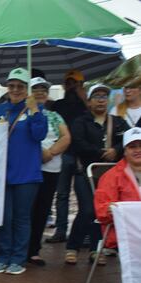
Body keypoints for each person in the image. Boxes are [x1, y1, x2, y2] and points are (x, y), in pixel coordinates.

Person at [0, 68, 47, 275]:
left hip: (27, 174)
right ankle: (3, 257)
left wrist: (35, 111)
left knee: (21, 218)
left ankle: (18, 259)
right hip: (1, 174)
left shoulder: (35, 109)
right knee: (4, 217)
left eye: (20, 86)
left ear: (26, 88)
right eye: (11, 85)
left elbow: (40, 135)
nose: (15, 89)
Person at [65, 84, 129, 265]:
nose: (101, 100)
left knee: (102, 212)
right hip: (84, 173)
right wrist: (102, 152)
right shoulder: (80, 122)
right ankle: (72, 246)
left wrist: (116, 150)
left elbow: (128, 140)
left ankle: (96, 248)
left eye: (104, 96)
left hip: (110, 178)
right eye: (97, 96)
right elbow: (78, 144)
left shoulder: (117, 122)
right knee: (87, 210)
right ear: (89, 101)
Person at [27, 77, 71, 266]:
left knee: (42, 210)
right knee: (25, 210)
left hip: (51, 168)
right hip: (28, 169)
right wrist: (39, 152)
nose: (40, 92)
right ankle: (21, 249)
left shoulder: (55, 116)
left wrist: (50, 152)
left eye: (43, 89)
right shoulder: (24, 114)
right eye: (35, 89)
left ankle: (34, 250)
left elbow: (66, 137)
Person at [49, 69, 89, 243]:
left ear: (81, 85)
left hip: (82, 156)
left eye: (75, 83)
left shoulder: (87, 105)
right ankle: (60, 230)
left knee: (84, 196)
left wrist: (85, 99)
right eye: (69, 83)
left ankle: (85, 231)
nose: (71, 87)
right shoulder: (58, 105)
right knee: (62, 194)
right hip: (63, 154)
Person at [94, 127, 141, 249]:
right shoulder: (111, 176)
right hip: (125, 233)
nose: (138, 150)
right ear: (124, 151)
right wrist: (117, 209)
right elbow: (102, 210)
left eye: (140, 146)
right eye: (132, 147)